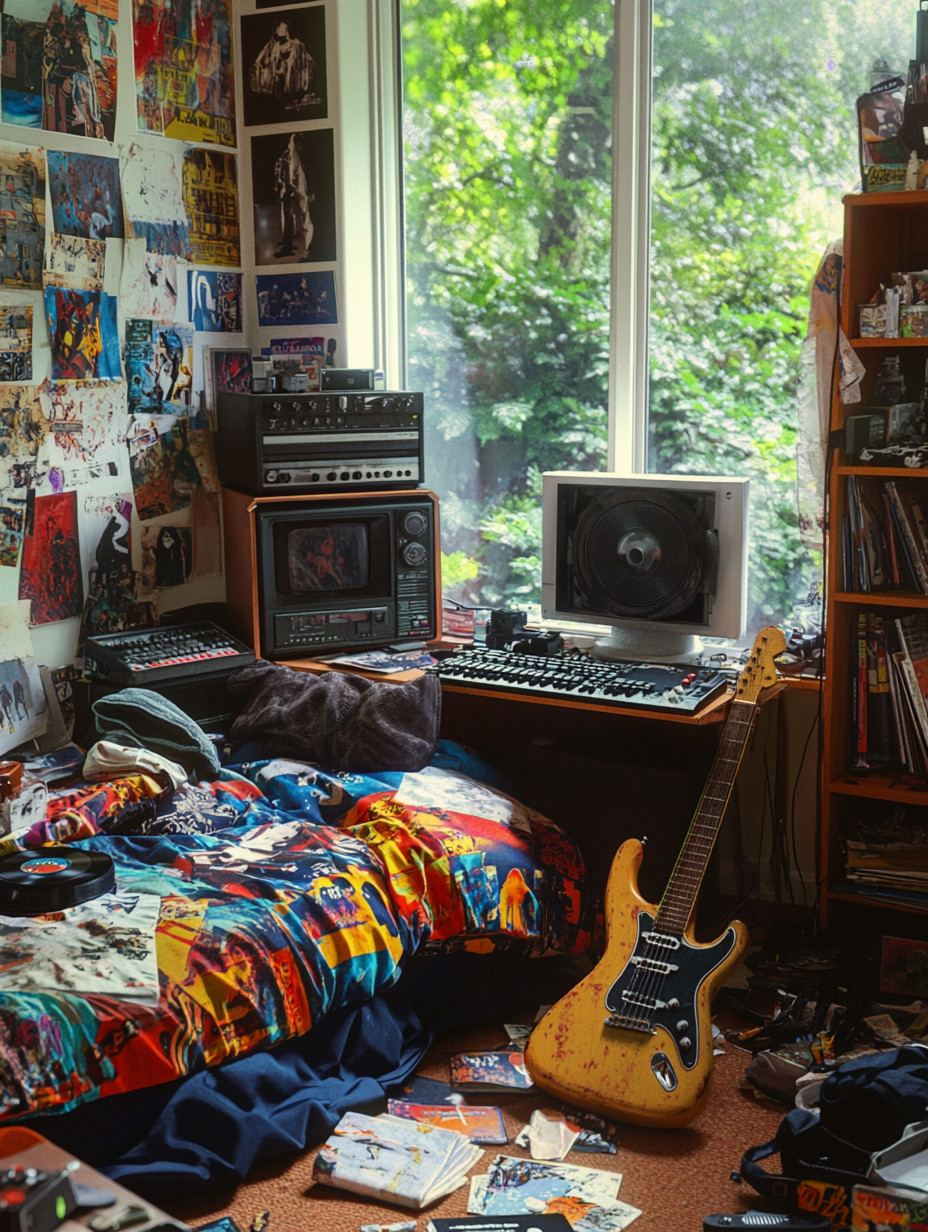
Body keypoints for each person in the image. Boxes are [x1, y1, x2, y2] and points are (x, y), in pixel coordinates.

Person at [250, 20, 314, 107]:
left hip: (291, 75)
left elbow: (307, 57)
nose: (281, 29)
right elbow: (262, 59)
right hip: (277, 74)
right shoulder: (274, 45)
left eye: (284, 28)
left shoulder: (296, 44)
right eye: (280, 27)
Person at [273, 132, 314, 259]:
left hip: (300, 193)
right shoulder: (288, 155)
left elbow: (302, 176)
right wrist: (283, 187)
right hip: (290, 192)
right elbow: (282, 172)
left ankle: (307, 248)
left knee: (305, 219)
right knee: (288, 219)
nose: (301, 147)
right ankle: (287, 245)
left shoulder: (301, 157)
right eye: (299, 144)